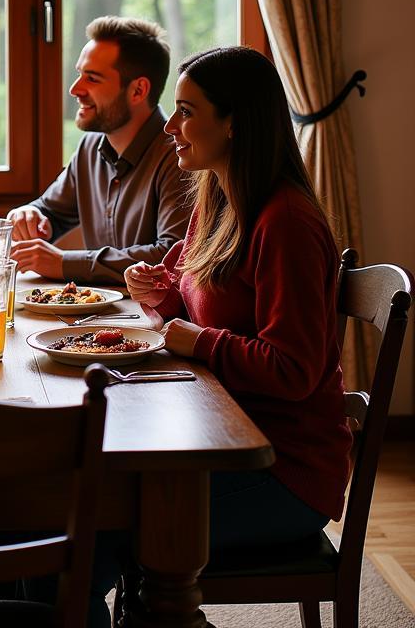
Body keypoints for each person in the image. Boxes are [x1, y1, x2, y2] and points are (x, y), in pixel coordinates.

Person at [89, 46, 351, 627]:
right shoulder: (218, 196)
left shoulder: (286, 223)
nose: (172, 127)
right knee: (70, 509)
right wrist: (164, 297)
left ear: (234, 122)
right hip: (216, 437)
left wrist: (195, 342)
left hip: (283, 472)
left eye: (186, 112)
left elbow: (292, 368)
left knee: (88, 526)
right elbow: (207, 306)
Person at [7, 16, 190, 284]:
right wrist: (29, 215)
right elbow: (51, 211)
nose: (75, 89)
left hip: (156, 321)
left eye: (91, 78)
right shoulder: (89, 147)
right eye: (79, 74)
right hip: (100, 313)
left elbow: (173, 255)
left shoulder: (181, 156)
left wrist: (64, 263)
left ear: (138, 90)